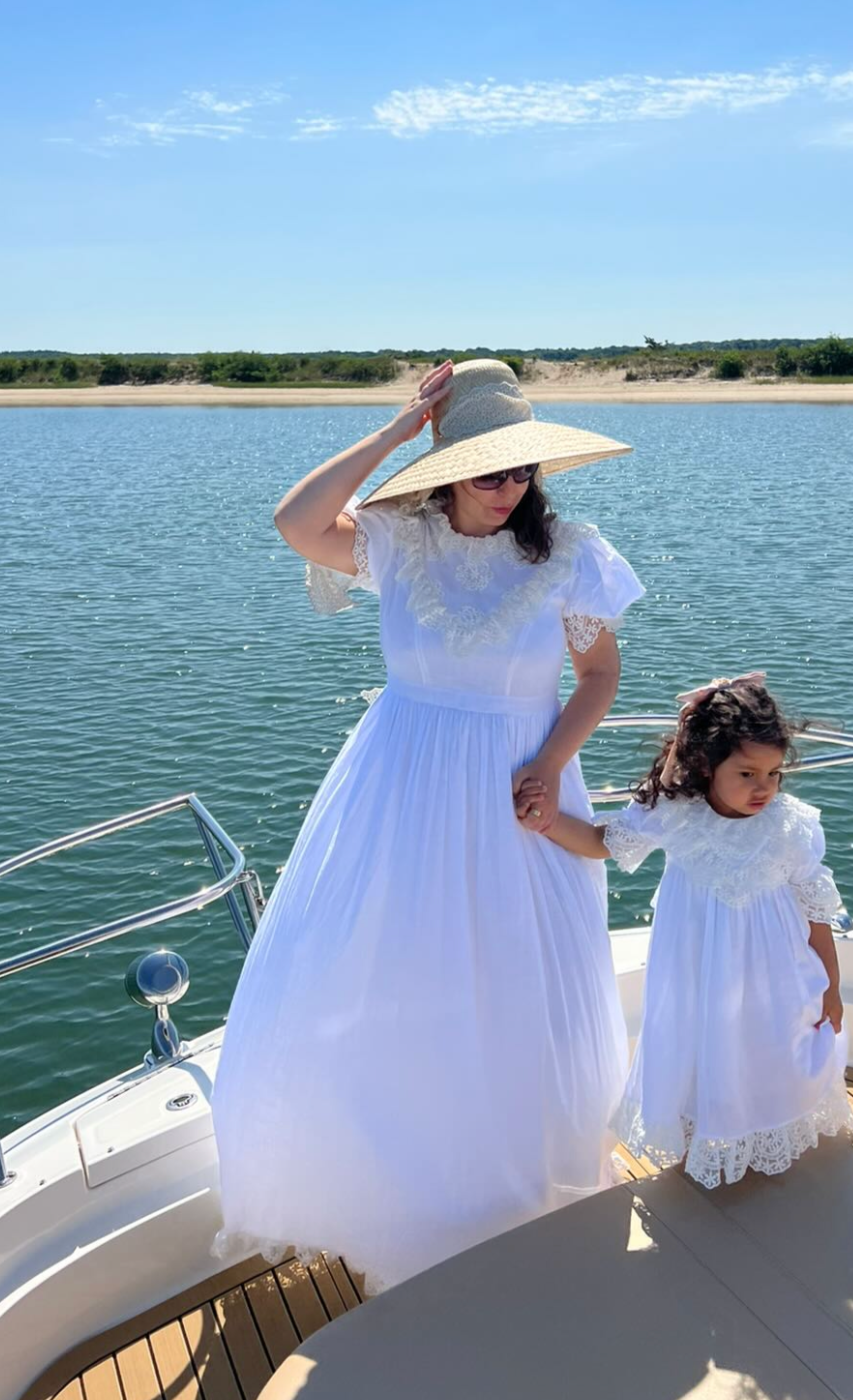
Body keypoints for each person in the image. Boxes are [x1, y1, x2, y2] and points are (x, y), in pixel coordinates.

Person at [211, 359, 645, 1291]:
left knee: (520, 976)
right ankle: (408, 1183)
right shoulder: (398, 543)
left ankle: (522, 1173)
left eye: (520, 470)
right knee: (402, 967)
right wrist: (396, 432)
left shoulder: (566, 553)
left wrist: (550, 764)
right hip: (400, 787)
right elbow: (295, 523)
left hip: (524, 790)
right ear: (446, 470)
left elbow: (600, 677)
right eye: (488, 471)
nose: (508, 489)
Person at [516, 672, 853, 1188]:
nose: (763, 787)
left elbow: (816, 910)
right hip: (697, 968)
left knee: (769, 1044)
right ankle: (707, 1132)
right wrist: (546, 823)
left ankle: (769, 1125)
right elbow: (603, 841)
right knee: (705, 1046)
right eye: (746, 773)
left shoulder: (792, 826)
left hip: (776, 972)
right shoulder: (675, 812)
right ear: (705, 765)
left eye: (773, 774)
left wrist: (831, 984)